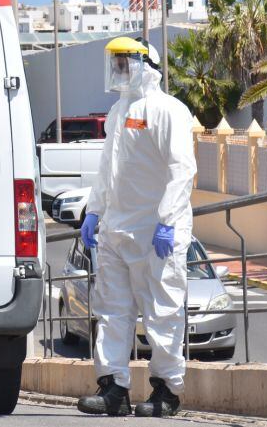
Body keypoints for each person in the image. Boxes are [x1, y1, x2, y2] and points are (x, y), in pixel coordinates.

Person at [77, 37, 197, 418]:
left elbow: (183, 170)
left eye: (125, 62)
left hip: (156, 233)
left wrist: (167, 221)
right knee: (112, 311)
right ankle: (114, 389)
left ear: (146, 64)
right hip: (115, 229)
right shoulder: (117, 111)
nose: (119, 70)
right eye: (116, 62)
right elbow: (107, 169)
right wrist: (94, 211)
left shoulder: (168, 111)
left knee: (162, 312)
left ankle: (165, 391)